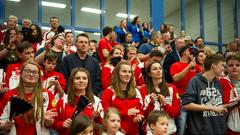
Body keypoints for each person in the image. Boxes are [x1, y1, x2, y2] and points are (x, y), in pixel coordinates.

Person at [0, 61, 57, 135]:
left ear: (39, 76)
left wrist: (48, 121)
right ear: (21, 74)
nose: (31, 74)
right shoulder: (9, 95)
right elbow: (1, 122)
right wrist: (4, 126)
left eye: (35, 72)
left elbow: (55, 123)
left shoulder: (47, 94)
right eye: (27, 71)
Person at [182, 54, 227, 135]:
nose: (224, 68)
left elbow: (218, 104)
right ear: (213, 65)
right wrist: (212, 108)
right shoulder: (195, 81)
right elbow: (186, 104)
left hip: (219, 129)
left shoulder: (218, 82)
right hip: (201, 130)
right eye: (222, 65)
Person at [53, 68, 103, 135]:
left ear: (88, 82)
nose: (81, 81)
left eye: (84, 78)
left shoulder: (96, 101)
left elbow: (102, 127)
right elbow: (54, 123)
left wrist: (97, 118)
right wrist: (62, 124)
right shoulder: (63, 100)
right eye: (77, 78)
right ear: (72, 81)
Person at [101, 61, 144, 135]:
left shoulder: (136, 91)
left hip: (134, 132)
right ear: (117, 73)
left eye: (129, 72)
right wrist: (125, 112)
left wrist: (138, 117)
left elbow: (140, 109)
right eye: (124, 71)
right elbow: (105, 114)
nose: (127, 74)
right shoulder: (109, 92)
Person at [140, 62, 180, 135]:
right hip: (150, 131)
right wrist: (151, 104)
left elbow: (176, 113)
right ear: (149, 74)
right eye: (155, 69)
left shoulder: (172, 88)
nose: (158, 70)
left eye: (160, 68)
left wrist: (165, 104)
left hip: (169, 131)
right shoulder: (143, 89)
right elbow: (143, 115)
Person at [170, 45, 201, 135]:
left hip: (195, 100)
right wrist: (188, 67)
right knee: (181, 129)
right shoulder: (175, 65)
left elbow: (201, 78)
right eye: (189, 51)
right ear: (184, 52)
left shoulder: (195, 66)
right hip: (181, 100)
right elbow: (175, 78)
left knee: (195, 128)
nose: (191, 52)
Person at [219, 54, 240, 135]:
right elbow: (223, 105)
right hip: (231, 126)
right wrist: (237, 101)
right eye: (231, 65)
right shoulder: (222, 82)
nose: (234, 67)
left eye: (237, 65)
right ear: (226, 68)